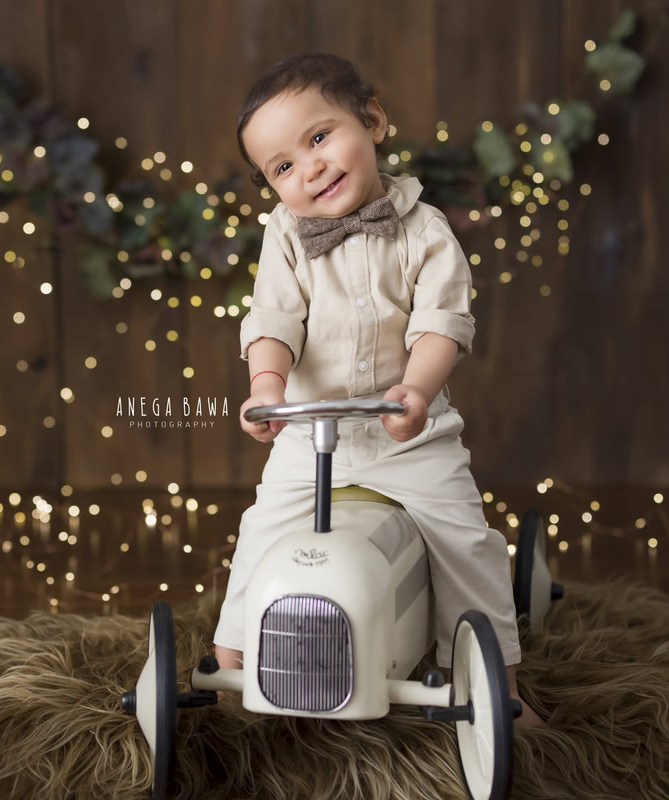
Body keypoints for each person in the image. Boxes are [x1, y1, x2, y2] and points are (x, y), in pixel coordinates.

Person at [214, 53, 545, 729]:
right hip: (310, 434)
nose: (309, 168)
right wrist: (265, 386)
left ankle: (497, 684)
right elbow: (274, 320)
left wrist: (417, 392)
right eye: (282, 167)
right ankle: (235, 661)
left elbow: (441, 326)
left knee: (464, 539)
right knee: (264, 532)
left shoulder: (426, 233)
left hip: (408, 434)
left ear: (373, 121)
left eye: (318, 138)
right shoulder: (284, 235)